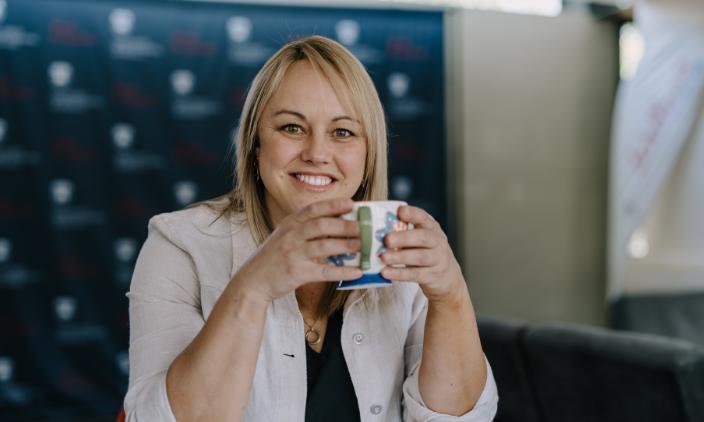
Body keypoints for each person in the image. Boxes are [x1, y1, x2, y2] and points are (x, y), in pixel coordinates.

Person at [123, 35, 498, 421]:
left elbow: (457, 418)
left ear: (368, 155)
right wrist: (253, 287)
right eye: (292, 128)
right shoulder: (180, 245)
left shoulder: (399, 252)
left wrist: (450, 294)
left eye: (342, 132)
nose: (317, 153)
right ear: (255, 144)